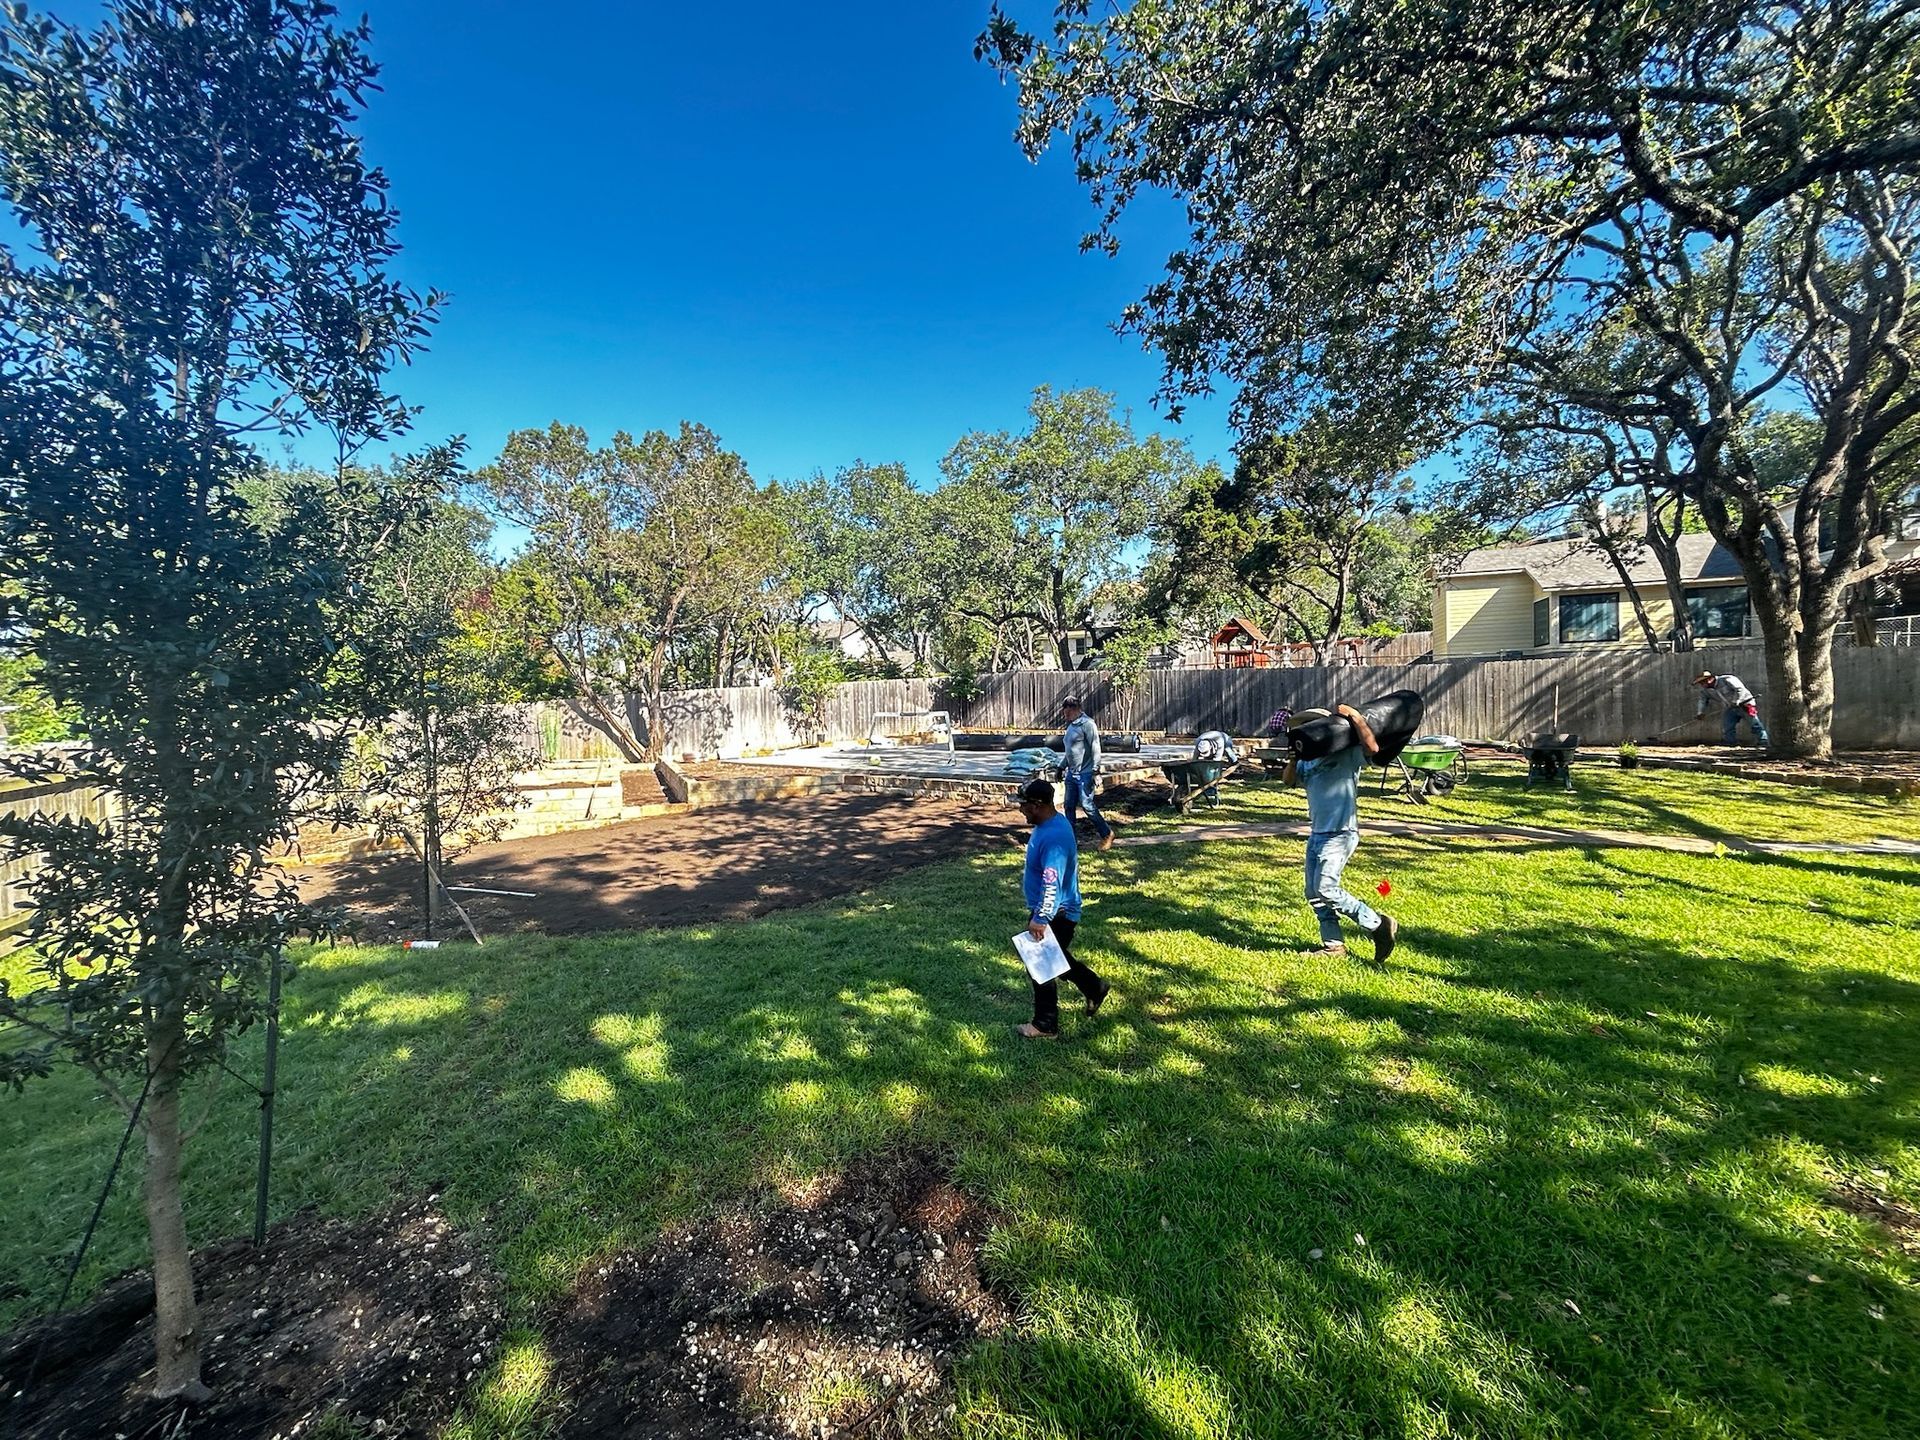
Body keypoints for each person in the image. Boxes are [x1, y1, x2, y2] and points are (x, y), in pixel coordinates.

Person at [1281, 703, 1400, 961]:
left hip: (1341, 833)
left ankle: (1378, 924)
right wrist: (1293, 757)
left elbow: (1373, 749)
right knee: (1313, 894)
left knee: (1326, 888)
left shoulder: (1347, 755)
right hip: (1317, 834)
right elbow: (1288, 781)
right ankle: (1334, 947)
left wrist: (1356, 717)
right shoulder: (1306, 762)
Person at [1014, 775, 1110, 1039]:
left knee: (1040, 964)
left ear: (1037, 804)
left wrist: (1041, 918)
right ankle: (1094, 987)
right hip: (1054, 910)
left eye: (1023, 805)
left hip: (1057, 911)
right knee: (1053, 958)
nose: (1020, 810)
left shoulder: (1054, 837)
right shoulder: (1051, 825)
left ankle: (1044, 1025)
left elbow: (1052, 884)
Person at [1058, 695, 1114, 851]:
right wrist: (1061, 767)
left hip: (1086, 773)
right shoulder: (1071, 726)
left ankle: (1107, 834)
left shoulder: (1087, 724)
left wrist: (1096, 771)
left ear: (1075, 709)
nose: (1065, 715)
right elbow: (1070, 752)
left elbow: (1096, 748)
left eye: (1067, 712)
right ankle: (1071, 841)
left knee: (1087, 805)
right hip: (1072, 774)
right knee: (1068, 806)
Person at [1694, 670, 1771, 745]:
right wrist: (1700, 712)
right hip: (1730, 708)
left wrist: (1736, 700)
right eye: (1701, 683)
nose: (1702, 685)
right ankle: (1730, 742)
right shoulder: (1706, 691)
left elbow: (1740, 689)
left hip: (1745, 704)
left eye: (1703, 682)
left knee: (1754, 724)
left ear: (1710, 679)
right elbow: (1702, 700)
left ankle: (1763, 741)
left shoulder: (1727, 679)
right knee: (1727, 726)